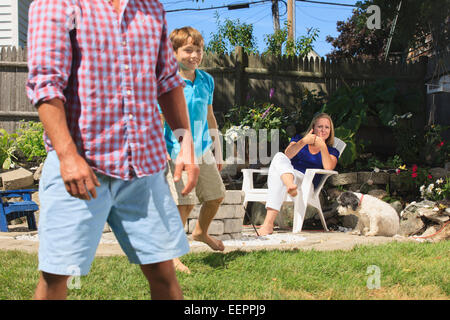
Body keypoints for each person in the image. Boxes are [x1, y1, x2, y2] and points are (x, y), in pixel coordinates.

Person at [26, 0, 199, 300]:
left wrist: (185, 143)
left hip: (144, 168)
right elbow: (46, 85)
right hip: (81, 167)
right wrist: (67, 157)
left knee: (163, 273)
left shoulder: (150, 8)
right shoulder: (58, 3)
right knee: (56, 275)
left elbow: (167, 81)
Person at [160, 27, 226, 274]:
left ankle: (200, 232)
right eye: (188, 50)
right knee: (184, 204)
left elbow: (210, 117)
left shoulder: (207, 80)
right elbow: (158, 119)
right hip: (177, 151)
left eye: (198, 50)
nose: (194, 55)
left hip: (203, 149)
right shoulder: (167, 82)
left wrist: (217, 150)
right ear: (174, 52)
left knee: (216, 195)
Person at [258, 113, 340, 236]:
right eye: (320, 126)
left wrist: (323, 146)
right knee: (279, 156)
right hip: (291, 176)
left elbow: (329, 167)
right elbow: (288, 154)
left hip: (306, 182)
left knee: (278, 176)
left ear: (330, 130)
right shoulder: (299, 139)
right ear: (313, 128)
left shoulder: (332, 151)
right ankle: (289, 184)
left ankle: (268, 224)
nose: (323, 130)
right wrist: (303, 142)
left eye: (327, 127)